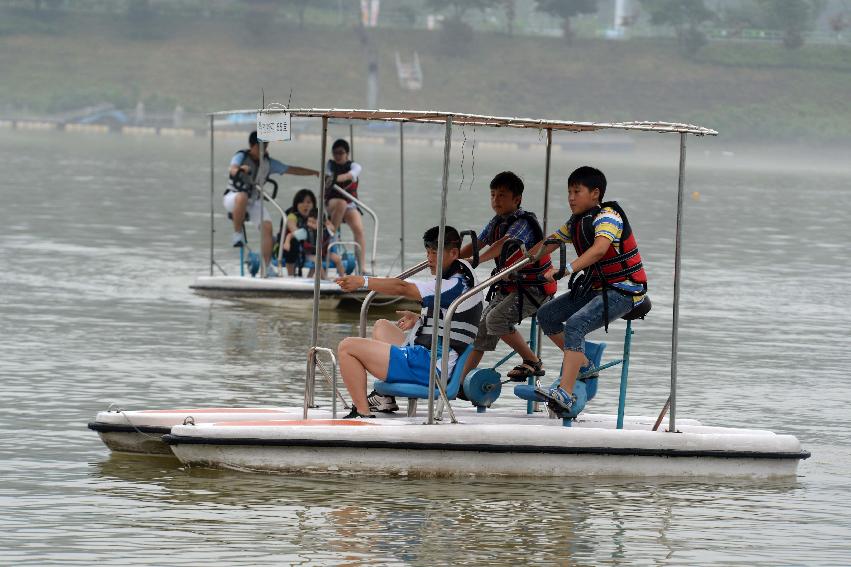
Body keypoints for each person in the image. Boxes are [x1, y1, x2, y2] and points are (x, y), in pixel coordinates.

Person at [526, 166, 648, 414]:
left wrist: (566, 269)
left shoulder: (608, 217)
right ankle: (583, 363)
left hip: (625, 291)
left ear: (595, 193)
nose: (571, 197)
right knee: (546, 316)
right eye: (569, 192)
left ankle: (565, 393)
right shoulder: (576, 223)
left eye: (576, 191)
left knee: (575, 324)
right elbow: (549, 243)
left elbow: (600, 249)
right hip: (596, 288)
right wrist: (522, 260)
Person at [335, 226, 484, 418]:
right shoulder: (460, 279)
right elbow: (450, 319)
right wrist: (420, 319)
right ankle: (385, 399)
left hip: (429, 367)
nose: (429, 258)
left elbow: (401, 287)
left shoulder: (452, 285)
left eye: (435, 253)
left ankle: (362, 413)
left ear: (454, 253)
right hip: (429, 357)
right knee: (381, 325)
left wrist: (362, 282)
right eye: (428, 252)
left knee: (347, 347)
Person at [457, 171, 557, 388]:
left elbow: (503, 244)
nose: (496, 200)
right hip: (510, 286)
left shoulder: (523, 223)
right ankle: (458, 383)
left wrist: (478, 260)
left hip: (534, 289)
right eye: (493, 195)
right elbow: (477, 244)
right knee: (480, 329)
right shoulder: (496, 222)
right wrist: (452, 258)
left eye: (502, 195)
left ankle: (532, 360)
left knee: (495, 320)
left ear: (517, 199)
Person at [224, 130, 319, 276]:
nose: (264, 149)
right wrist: (240, 169)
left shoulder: (269, 163)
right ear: (252, 145)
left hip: (253, 201)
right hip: (233, 197)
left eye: (266, 145)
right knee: (242, 196)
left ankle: (266, 267)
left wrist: (315, 172)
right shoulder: (241, 156)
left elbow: (291, 169)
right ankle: (237, 234)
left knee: (267, 227)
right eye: (261, 146)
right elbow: (232, 169)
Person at [324, 139, 368, 273]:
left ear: (347, 153)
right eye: (335, 153)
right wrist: (331, 178)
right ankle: (332, 237)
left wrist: (335, 179)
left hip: (349, 203)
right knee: (341, 203)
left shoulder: (355, 166)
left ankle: (362, 267)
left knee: (359, 230)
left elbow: (350, 176)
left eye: (340, 153)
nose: (337, 156)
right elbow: (327, 176)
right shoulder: (329, 165)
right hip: (332, 202)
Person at [281, 189, 344, 278]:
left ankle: (344, 278)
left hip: (323, 252)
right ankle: (324, 279)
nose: (305, 205)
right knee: (317, 260)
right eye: (302, 202)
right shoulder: (305, 230)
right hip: (308, 253)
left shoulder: (324, 227)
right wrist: (287, 243)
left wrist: (327, 224)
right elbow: (291, 234)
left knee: (337, 259)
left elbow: (333, 231)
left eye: (308, 202)